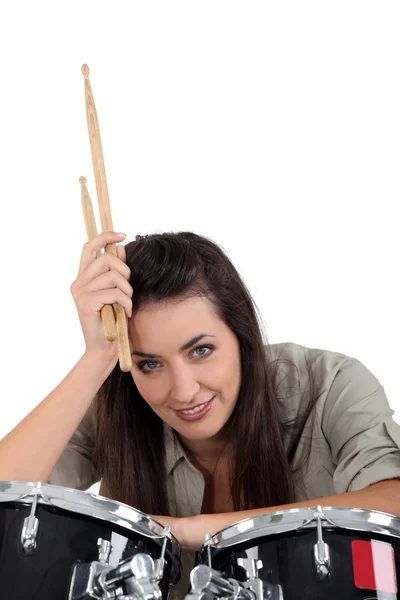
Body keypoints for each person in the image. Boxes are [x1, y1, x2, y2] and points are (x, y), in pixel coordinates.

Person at [1, 230, 400, 597]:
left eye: (201, 350)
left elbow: (392, 501)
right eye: (150, 364)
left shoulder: (330, 385)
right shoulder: (119, 402)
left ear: (241, 335)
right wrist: (97, 357)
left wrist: (187, 532)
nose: (185, 390)